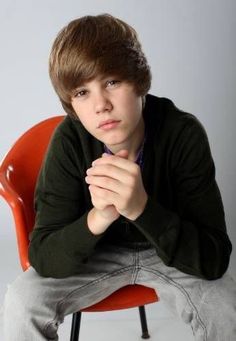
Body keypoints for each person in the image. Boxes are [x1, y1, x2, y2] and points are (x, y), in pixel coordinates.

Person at [3, 13, 236, 341]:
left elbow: (214, 258)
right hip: (95, 255)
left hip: (168, 252)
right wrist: (98, 218)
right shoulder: (69, 141)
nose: (101, 105)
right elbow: (42, 255)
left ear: (139, 82)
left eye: (112, 81)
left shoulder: (182, 133)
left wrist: (141, 208)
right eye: (82, 93)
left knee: (228, 307)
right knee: (21, 302)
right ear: (72, 106)